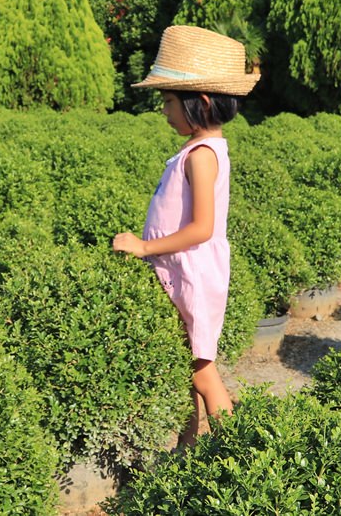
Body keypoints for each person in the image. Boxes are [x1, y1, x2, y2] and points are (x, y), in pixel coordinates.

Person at [112, 25, 259, 446]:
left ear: (202, 103)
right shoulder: (199, 149)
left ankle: (239, 448)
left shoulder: (202, 156)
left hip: (191, 272)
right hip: (182, 269)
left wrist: (143, 247)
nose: (165, 110)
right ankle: (196, 443)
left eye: (170, 101)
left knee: (201, 368)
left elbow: (201, 229)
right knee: (190, 364)